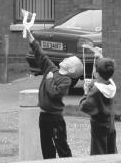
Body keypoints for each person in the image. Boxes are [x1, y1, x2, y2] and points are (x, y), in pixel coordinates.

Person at [25, 28, 83, 159]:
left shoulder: (66, 81)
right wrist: (31, 40)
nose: (66, 58)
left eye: (69, 60)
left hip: (55, 118)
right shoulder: (52, 69)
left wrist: (50, 80)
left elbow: (55, 94)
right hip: (44, 116)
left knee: (61, 145)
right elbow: (42, 56)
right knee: (46, 146)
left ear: (71, 69)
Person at [79, 48, 117, 155]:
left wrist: (86, 92)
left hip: (99, 128)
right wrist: (100, 56)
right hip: (110, 125)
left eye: (95, 69)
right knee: (111, 152)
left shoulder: (95, 92)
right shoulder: (111, 84)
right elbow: (106, 73)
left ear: (97, 74)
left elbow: (84, 106)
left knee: (98, 155)